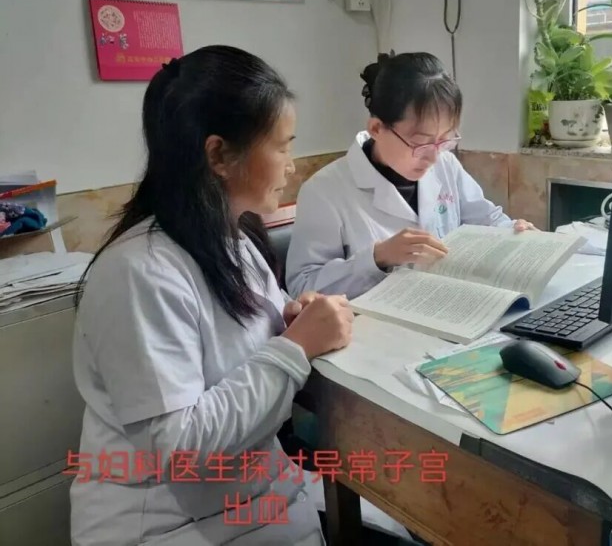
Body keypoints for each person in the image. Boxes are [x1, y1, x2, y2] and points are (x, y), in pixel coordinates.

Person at [70, 45, 352, 546]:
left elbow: (239, 349)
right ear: (219, 154)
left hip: (252, 498)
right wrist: (293, 349)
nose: (291, 167)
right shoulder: (138, 272)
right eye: (282, 147)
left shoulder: (232, 240)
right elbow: (179, 450)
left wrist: (287, 321)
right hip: (168, 524)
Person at [285, 51, 535, 299]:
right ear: (376, 128)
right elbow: (302, 286)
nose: (433, 157)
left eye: (445, 140)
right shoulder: (325, 191)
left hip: (449, 305)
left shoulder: (446, 164)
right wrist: (378, 258)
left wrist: (513, 232)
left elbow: (487, 220)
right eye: (420, 143)